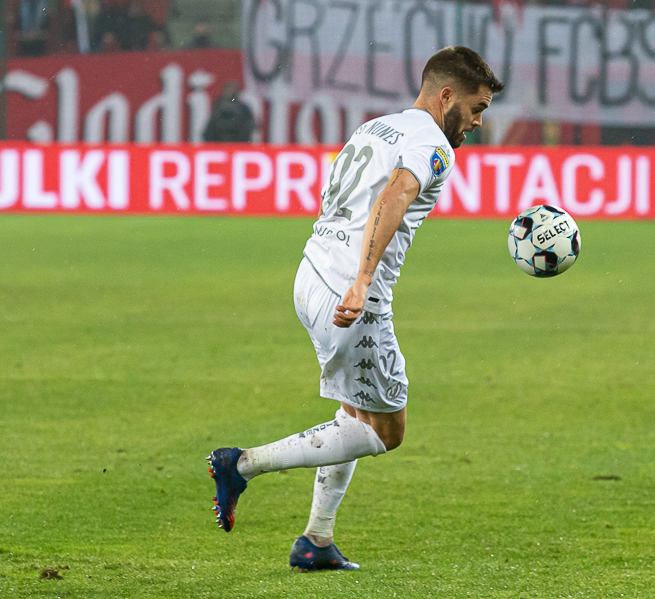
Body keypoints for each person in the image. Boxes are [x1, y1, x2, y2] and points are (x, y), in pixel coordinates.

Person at [207, 46, 504, 571]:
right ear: (446, 96)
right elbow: (394, 197)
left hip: (309, 275)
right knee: (386, 431)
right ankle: (243, 465)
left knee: (352, 407)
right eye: (476, 108)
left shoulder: (374, 128)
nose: (478, 122)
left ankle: (316, 541)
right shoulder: (434, 143)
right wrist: (362, 281)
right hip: (351, 296)